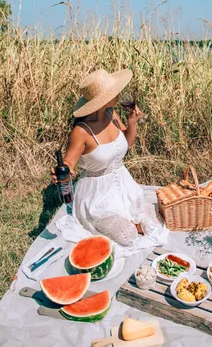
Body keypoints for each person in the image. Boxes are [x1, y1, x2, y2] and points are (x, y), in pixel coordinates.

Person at [51, 68, 163, 246]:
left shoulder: (112, 115)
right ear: (102, 100)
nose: (118, 93)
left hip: (124, 185)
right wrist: (62, 172)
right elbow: (68, 162)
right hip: (97, 196)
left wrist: (132, 122)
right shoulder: (81, 132)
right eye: (113, 91)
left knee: (154, 222)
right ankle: (125, 222)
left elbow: (127, 142)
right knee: (127, 235)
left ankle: (130, 219)